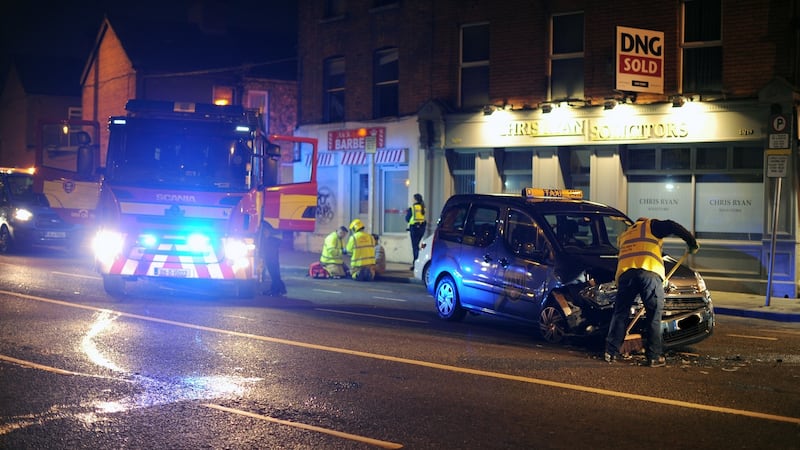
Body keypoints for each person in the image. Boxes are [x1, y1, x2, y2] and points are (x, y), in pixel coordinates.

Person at [605, 217, 699, 367]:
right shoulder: (650, 226)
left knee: (620, 314)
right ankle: (654, 356)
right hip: (648, 272)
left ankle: (610, 352)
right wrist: (691, 242)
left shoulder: (626, 234)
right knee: (653, 315)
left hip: (625, 275)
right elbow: (672, 225)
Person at [262, 225, 287, 296]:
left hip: (272, 239)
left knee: (272, 267)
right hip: (274, 239)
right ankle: (277, 289)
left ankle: (277, 289)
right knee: (273, 268)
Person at [407, 193, 426, 270]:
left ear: (415, 199)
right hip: (421, 228)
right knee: (417, 246)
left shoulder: (412, 208)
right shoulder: (423, 207)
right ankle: (417, 263)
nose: (412, 200)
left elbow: (407, 218)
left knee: (415, 247)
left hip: (414, 228)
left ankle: (416, 264)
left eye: (413, 198)